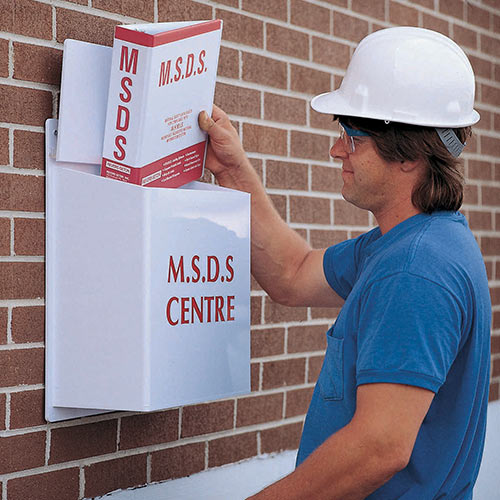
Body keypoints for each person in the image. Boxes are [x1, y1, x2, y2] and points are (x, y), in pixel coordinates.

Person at [198, 27, 491, 500]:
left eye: (353, 137)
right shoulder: (404, 247)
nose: (337, 149)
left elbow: (379, 447)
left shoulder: (414, 271)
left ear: (411, 154)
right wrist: (231, 170)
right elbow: (291, 274)